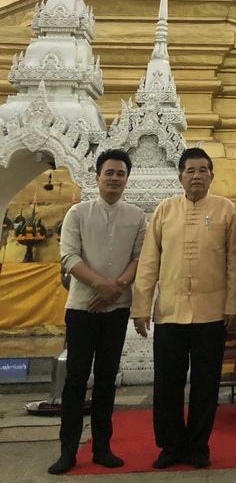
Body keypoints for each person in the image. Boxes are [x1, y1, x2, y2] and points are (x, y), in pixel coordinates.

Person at [131, 147, 236, 470]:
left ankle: (198, 446)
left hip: (212, 313)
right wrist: (141, 307)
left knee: (206, 385)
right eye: (190, 171)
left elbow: (235, 262)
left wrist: (234, 306)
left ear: (211, 176)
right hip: (169, 313)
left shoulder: (225, 210)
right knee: (167, 383)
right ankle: (170, 446)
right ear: (180, 176)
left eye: (203, 170)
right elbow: (149, 262)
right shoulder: (165, 210)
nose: (196, 176)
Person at [49, 149, 147, 475]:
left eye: (121, 174)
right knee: (75, 380)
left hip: (116, 309)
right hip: (81, 308)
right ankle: (68, 451)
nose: (115, 178)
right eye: (109, 173)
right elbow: (69, 257)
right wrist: (102, 287)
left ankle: (103, 447)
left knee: (107, 380)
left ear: (127, 179)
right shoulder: (77, 213)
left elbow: (139, 258)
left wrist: (115, 287)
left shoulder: (136, 216)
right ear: (97, 177)